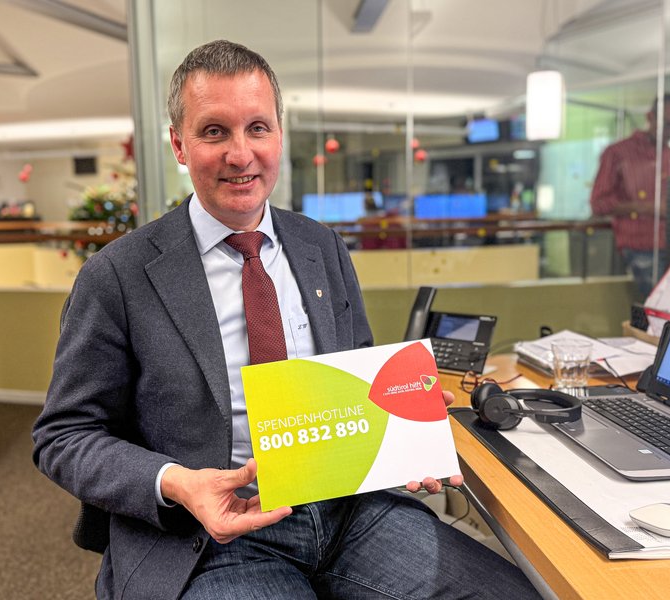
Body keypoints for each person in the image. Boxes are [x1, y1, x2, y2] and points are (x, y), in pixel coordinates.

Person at [33, 40, 539, 599]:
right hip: (213, 535)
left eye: (257, 128)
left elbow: (354, 379)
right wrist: (177, 483)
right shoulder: (117, 276)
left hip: (347, 509)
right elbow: (64, 435)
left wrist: (400, 431)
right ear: (179, 144)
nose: (240, 154)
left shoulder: (322, 246)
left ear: (279, 135)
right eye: (214, 132)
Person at [590, 93, 670, 299]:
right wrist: (648, 207)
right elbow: (599, 203)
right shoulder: (618, 153)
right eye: (668, 124)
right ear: (650, 117)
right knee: (661, 306)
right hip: (639, 246)